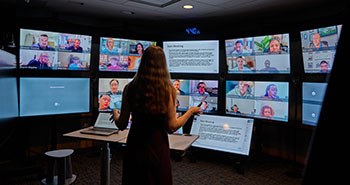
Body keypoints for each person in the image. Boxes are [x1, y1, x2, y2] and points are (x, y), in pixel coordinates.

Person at [110, 46, 202, 185]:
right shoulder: (168, 90)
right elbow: (172, 127)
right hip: (158, 148)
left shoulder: (130, 88)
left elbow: (122, 124)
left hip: (135, 146)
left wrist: (115, 114)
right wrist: (190, 111)